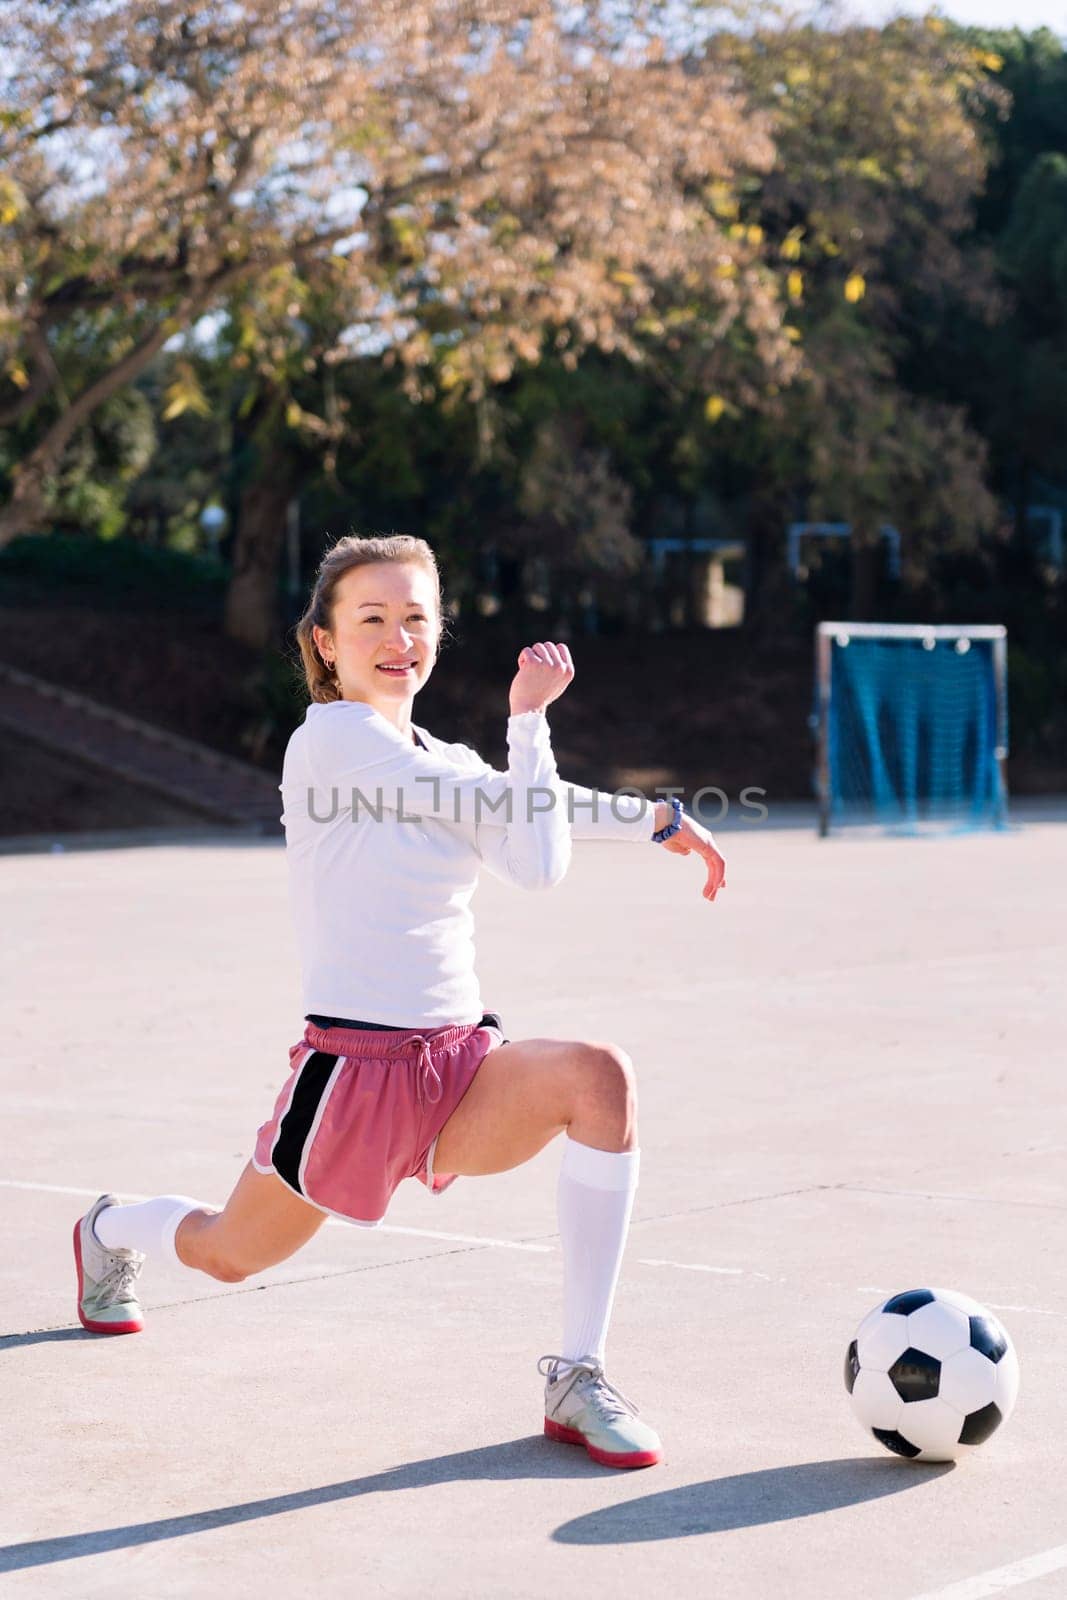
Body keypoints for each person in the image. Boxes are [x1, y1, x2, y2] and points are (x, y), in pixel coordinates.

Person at [73, 533, 726, 1470]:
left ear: (437, 633)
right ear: (327, 642)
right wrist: (643, 814)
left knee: (599, 1081)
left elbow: (536, 862)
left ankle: (577, 1374)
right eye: (370, 617)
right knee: (225, 1252)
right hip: (353, 1073)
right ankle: (107, 1229)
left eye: (415, 616)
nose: (396, 635)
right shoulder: (331, 742)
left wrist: (535, 731)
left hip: (458, 1064)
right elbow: (503, 803)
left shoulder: (451, 758)